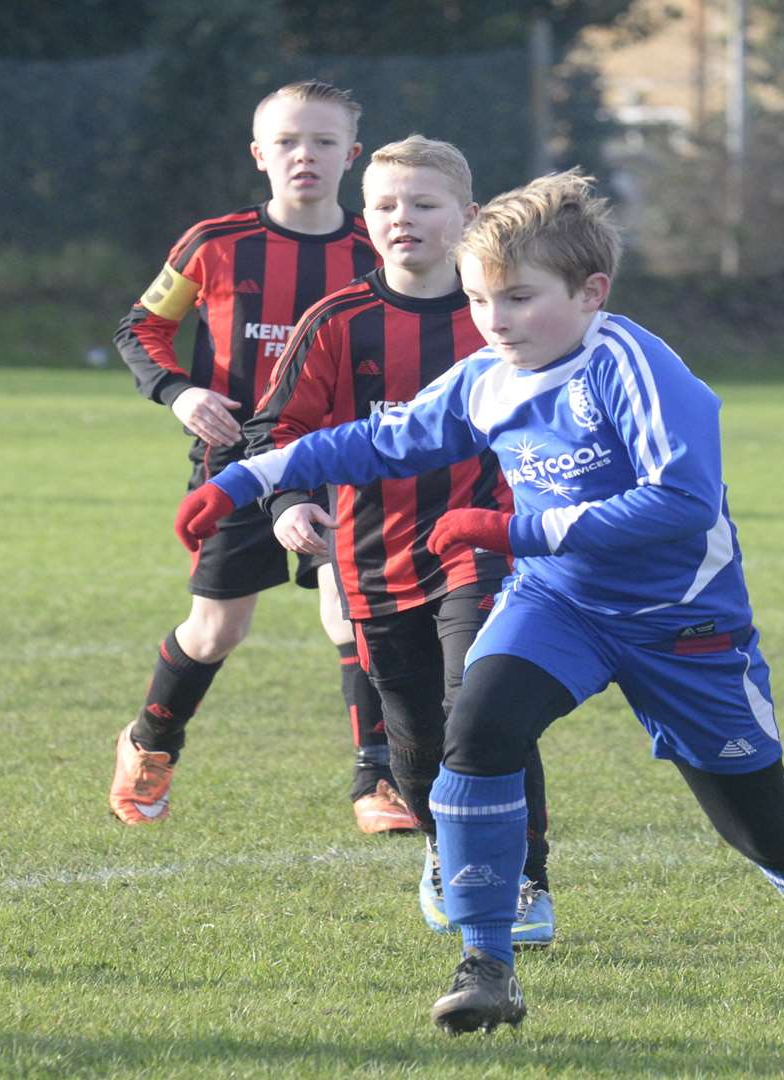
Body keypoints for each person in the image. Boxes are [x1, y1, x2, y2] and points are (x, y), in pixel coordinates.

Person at [177, 171, 784, 1035]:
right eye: (478, 300)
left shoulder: (633, 365)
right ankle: (487, 962)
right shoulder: (488, 375)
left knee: (765, 828)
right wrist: (253, 476)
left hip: (680, 620)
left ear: (590, 293)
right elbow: (385, 439)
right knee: (480, 728)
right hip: (559, 605)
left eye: (519, 298)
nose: (494, 320)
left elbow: (681, 503)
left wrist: (514, 532)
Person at [244, 134, 556, 944]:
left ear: (470, 217)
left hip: (485, 541)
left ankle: (524, 879)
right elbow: (279, 428)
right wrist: (286, 500)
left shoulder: (509, 313)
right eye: (383, 205)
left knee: (482, 708)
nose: (401, 219)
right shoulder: (337, 320)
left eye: (423, 204)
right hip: (374, 553)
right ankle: (446, 849)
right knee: (412, 736)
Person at [110, 79, 411, 834]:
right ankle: (151, 740)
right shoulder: (215, 244)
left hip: (342, 463)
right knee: (217, 630)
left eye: (323, 141)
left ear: (352, 154)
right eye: (286, 141)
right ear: (258, 154)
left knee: (353, 613)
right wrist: (178, 393)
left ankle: (378, 782)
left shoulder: (377, 248)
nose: (304, 155)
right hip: (236, 464)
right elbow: (140, 328)